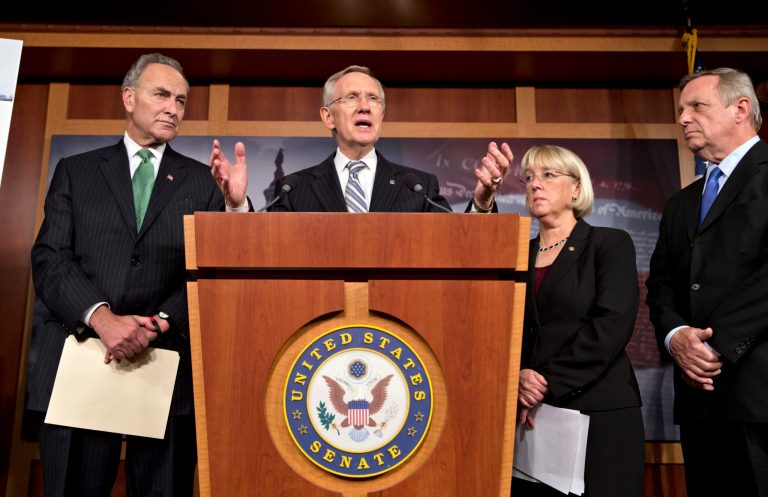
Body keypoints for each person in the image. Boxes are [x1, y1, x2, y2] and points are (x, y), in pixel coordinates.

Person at [28, 53, 248, 497]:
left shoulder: (202, 182)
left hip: (164, 366)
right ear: (129, 98)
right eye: (162, 95)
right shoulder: (77, 171)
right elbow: (51, 258)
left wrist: (235, 208)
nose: (173, 108)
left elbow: (212, 272)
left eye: (182, 101)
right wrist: (104, 320)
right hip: (82, 356)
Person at [646, 67, 768, 497]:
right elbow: (661, 284)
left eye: (697, 106)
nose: (683, 118)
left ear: (741, 109)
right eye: (681, 109)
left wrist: (715, 347)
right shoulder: (681, 203)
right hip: (699, 403)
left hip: (757, 396)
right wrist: (677, 336)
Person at [513, 145, 644, 497]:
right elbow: (503, 329)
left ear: (576, 188)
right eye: (529, 178)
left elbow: (611, 326)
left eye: (548, 175)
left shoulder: (609, 244)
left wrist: (546, 382)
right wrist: (519, 376)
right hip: (531, 416)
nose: (535, 185)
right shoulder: (515, 255)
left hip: (600, 412)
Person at [210, 65, 512, 212]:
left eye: (373, 100)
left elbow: (459, 245)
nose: (365, 105)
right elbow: (263, 250)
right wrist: (237, 206)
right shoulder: (293, 188)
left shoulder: (420, 187)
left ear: (381, 115)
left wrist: (482, 203)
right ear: (328, 117)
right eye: (352, 97)